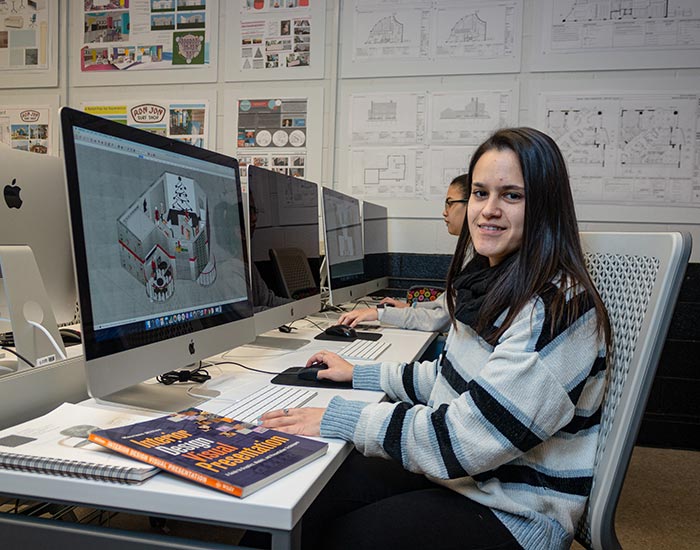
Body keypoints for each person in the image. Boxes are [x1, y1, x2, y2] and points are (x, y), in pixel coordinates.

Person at [258, 127, 612, 550]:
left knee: (330, 535)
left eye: (512, 196)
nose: (488, 210)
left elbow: (463, 439)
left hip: (514, 513)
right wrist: (361, 374)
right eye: (480, 194)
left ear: (546, 208)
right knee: (308, 491)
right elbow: (453, 384)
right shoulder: (497, 280)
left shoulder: (556, 309)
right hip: (470, 480)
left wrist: (343, 418)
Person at [337, 173, 469, 333]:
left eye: (449, 203)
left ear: (472, 205)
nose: (444, 212)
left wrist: (380, 313)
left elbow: (439, 319)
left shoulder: (476, 260)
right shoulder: (469, 253)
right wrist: (411, 307)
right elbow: (445, 306)